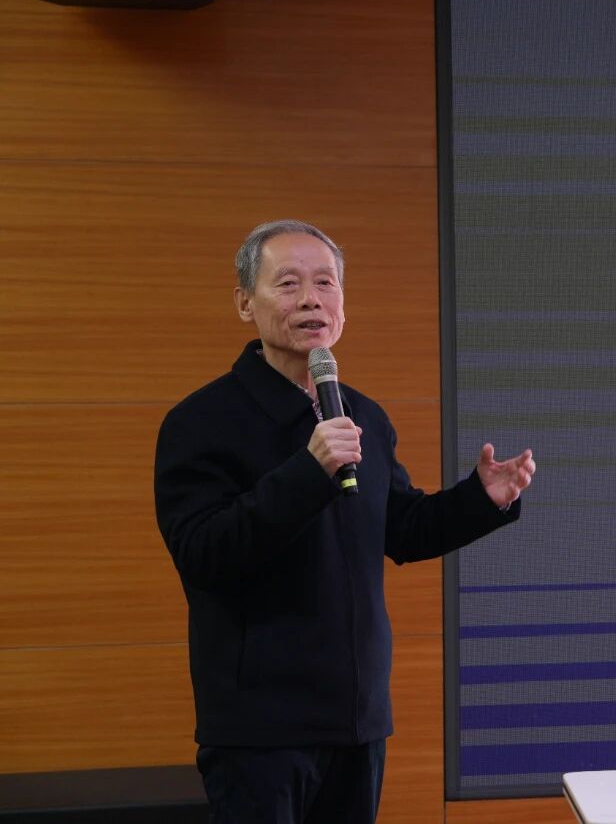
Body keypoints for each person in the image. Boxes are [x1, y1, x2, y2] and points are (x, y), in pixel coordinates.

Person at [154, 219, 534, 823]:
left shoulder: (363, 416)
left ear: (342, 306)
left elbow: (403, 529)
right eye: (289, 284)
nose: (312, 299)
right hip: (260, 729)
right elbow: (203, 553)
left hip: (357, 718)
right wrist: (308, 472)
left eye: (326, 283)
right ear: (245, 303)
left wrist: (481, 498)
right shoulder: (199, 422)